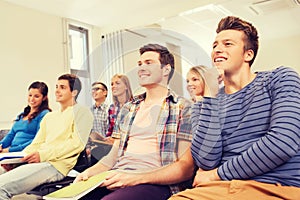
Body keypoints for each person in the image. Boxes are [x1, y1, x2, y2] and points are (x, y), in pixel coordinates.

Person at [169, 16, 300, 200]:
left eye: (227, 44)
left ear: (248, 54)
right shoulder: (203, 105)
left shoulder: (279, 78)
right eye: (215, 45)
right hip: (223, 188)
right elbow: (207, 160)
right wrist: (210, 96)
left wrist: (216, 175)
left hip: (275, 186)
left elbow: (282, 143)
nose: (217, 49)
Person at [74, 43, 195, 200]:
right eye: (139, 64)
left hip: (154, 182)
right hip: (117, 176)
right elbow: (113, 155)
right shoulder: (129, 108)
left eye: (148, 63)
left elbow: (185, 168)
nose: (141, 68)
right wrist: (89, 173)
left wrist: (134, 178)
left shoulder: (183, 108)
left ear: (166, 69)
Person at [0, 74, 93, 199]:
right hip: (40, 162)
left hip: (56, 165)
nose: (57, 90)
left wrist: (43, 155)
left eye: (62, 87)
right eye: (56, 87)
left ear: (74, 92)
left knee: (1, 187)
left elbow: (76, 144)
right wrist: (17, 160)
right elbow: (37, 143)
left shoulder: (82, 113)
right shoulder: (50, 117)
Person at [0, 81, 51, 153]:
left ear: (44, 98)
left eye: (36, 96)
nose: (32, 99)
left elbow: (37, 140)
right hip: (12, 153)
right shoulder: (22, 115)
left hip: (26, 152)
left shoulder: (45, 114)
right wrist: (1, 145)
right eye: (30, 95)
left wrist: (9, 150)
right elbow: (10, 136)